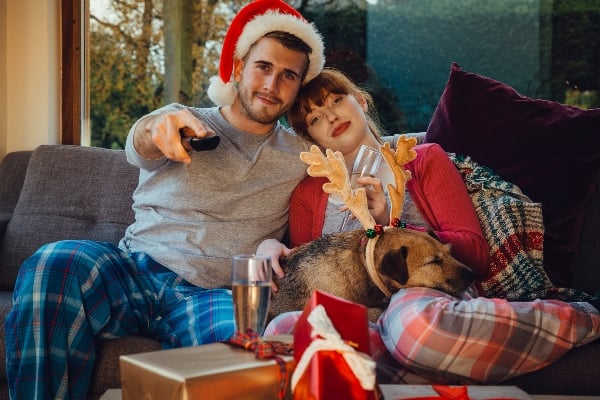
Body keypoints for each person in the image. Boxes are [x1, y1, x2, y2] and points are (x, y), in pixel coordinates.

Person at [4, 1, 325, 399]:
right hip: (133, 270)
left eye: (288, 75)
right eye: (264, 67)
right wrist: (158, 128)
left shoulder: (303, 155)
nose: (272, 85)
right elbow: (141, 142)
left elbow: (362, 157)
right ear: (239, 67)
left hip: (214, 294)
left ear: (298, 86)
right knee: (53, 262)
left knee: (248, 349)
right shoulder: (182, 119)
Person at [259, 68, 600, 384]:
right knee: (285, 328)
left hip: (427, 297)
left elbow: (475, 254)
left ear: (360, 100)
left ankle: (588, 318)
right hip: (364, 311)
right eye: (315, 118)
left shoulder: (424, 160)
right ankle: (438, 370)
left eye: (336, 100)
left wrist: (392, 226)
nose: (330, 115)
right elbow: (309, 276)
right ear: (311, 138)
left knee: (413, 329)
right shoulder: (309, 193)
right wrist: (270, 248)